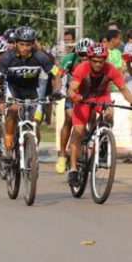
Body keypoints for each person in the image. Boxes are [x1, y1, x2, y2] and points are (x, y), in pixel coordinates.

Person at [0, 26, 63, 169]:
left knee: (34, 123)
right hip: (14, 90)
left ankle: (32, 151)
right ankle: (8, 148)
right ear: (16, 43)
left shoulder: (41, 56)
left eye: (28, 44)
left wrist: (57, 90)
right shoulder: (7, 57)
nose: (25, 48)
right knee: (12, 111)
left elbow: (56, 74)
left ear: (33, 44)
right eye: (22, 44)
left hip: (32, 91)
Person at [66, 42, 132, 186]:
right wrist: (75, 97)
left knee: (109, 113)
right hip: (83, 99)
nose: (98, 64)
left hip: (101, 97)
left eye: (101, 61)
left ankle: (103, 142)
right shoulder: (81, 68)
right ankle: (72, 170)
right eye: (95, 61)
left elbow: (124, 89)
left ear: (105, 60)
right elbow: (71, 90)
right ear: (89, 59)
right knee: (78, 131)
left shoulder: (111, 69)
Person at [55, 37, 93, 174]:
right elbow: (58, 75)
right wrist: (57, 90)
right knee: (70, 119)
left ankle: (94, 152)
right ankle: (62, 155)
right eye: (81, 55)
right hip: (73, 93)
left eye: (88, 56)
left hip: (90, 93)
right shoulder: (69, 58)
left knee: (93, 120)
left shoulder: (97, 60)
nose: (84, 59)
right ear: (76, 53)